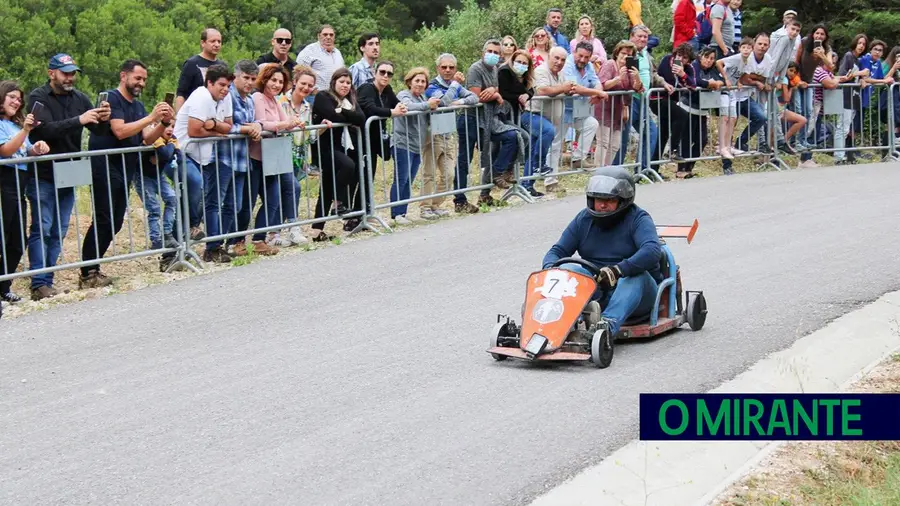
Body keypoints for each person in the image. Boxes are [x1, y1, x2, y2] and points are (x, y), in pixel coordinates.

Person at [542, 166, 662, 339]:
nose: (602, 205)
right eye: (598, 199)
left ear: (623, 200)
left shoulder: (638, 218)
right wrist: (551, 270)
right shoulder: (583, 219)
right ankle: (552, 321)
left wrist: (618, 270)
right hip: (597, 289)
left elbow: (652, 251)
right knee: (568, 268)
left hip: (637, 295)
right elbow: (557, 251)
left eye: (610, 200)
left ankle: (605, 328)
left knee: (636, 277)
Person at [0, 81, 50, 303]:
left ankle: (4, 285)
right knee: (3, 237)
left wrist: (36, 147)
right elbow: (7, 150)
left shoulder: (16, 125)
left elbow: (23, 149)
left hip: (19, 182)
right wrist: (26, 130)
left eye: (19, 98)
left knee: (18, 240)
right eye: (11, 96)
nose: (16, 101)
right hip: (4, 182)